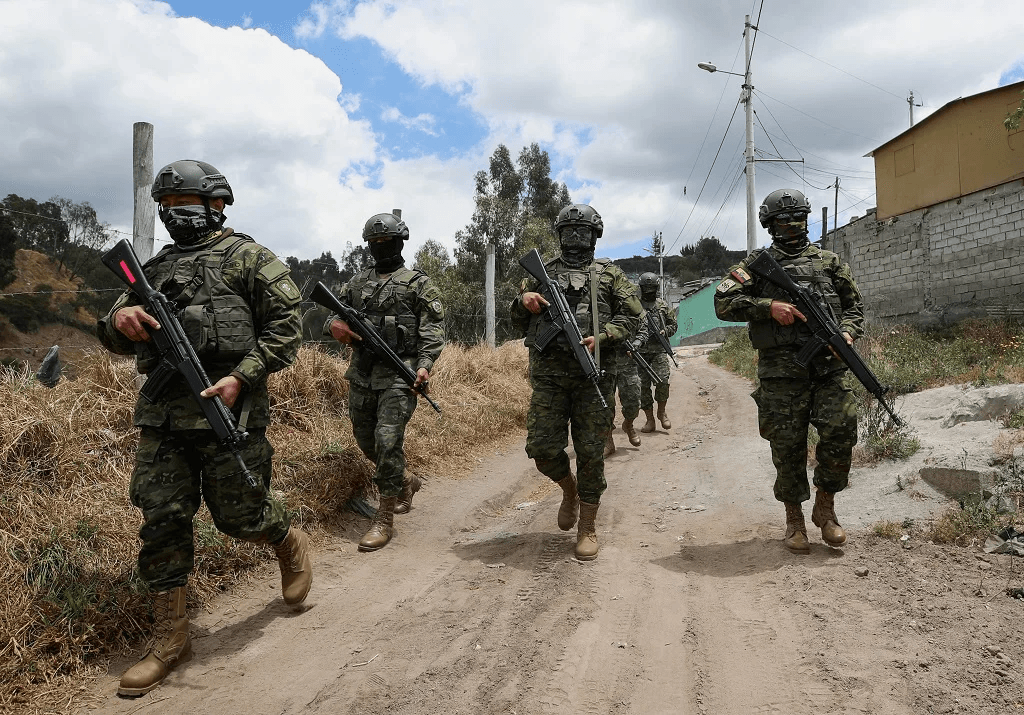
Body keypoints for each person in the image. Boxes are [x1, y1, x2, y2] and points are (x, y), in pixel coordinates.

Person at [97, 160, 311, 696]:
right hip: (164, 418)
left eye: (185, 206)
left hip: (230, 415)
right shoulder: (156, 268)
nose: (174, 217)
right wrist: (119, 321)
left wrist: (243, 376)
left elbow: (289, 328)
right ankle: (171, 639)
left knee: (240, 517)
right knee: (163, 521)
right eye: (166, 208)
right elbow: (115, 329)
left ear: (218, 203)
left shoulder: (251, 259)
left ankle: (286, 539)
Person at [713, 188, 864, 554]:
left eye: (798, 218)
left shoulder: (829, 262)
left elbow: (854, 308)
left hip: (828, 370)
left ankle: (825, 506)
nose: (792, 225)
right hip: (781, 375)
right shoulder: (756, 265)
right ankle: (794, 518)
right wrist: (769, 307)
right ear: (769, 224)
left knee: (842, 429)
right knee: (787, 446)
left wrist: (846, 332)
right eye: (783, 220)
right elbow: (722, 302)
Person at [511, 204, 642, 561]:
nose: (575, 238)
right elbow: (513, 321)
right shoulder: (542, 273)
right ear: (558, 235)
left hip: (594, 380)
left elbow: (634, 319)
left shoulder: (612, 276)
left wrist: (604, 336)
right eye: (568, 231)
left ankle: (587, 526)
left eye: (582, 232)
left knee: (590, 454)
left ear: (595, 236)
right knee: (541, 448)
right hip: (550, 379)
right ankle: (568, 490)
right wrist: (524, 301)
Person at [324, 210, 445, 552]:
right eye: (374, 243)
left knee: (387, 439)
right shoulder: (357, 283)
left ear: (400, 242)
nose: (381, 248)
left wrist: (423, 366)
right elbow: (332, 317)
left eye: (387, 242)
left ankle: (384, 519)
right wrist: (335, 328)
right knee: (367, 441)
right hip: (362, 374)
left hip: (400, 374)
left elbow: (433, 331)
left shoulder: (419, 284)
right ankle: (405, 480)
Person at [635, 272, 678, 433]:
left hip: (659, 350)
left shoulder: (662, 306)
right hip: (640, 353)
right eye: (646, 288)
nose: (648, 291)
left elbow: (674, 325)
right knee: (642, 387)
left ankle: (661, 412)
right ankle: (649, 419)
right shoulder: (636, 306)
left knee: (663, 381)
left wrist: (664, 331)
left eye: (651, 288)